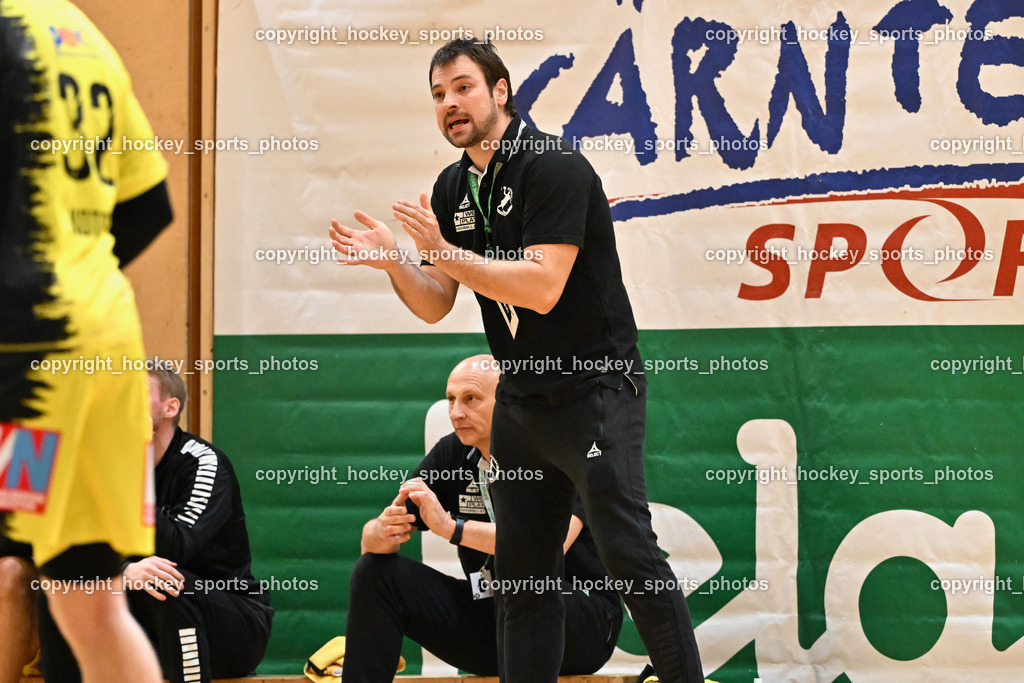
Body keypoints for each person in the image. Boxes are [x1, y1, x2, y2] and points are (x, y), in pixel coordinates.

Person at [329, 38, 704, 682]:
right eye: (439, 95)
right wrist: (396, 262)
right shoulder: (453, 186)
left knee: (629, 554)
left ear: (500, 92)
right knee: (524, 581)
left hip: (593, 391)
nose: (450, 104)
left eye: (463, 88)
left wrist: (443, 252)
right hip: (523, 406)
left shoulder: (553, 166)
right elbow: (436, 302)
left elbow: (542, 286)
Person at [0, 0, 173, 680]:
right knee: (92, 602)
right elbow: (149, 206)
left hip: (21, 353)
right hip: (102, 349)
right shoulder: (87, 40)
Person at [342, 355, 622, 681]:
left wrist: (452, 528)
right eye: (451, 400)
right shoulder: (452, 454)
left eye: (471, 399)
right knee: (375, 573)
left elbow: (546, 547)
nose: (455, 413)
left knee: (522, 576)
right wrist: (381, 530)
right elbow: (373, 541)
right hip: (496, 618)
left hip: (581, 623)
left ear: (507, 402)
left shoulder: (557, 451)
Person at [36, 365, 275, 683]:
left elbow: (176, 547)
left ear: (170, 407)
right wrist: (124, 571)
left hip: (230, 624)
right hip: (146, 617)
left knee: (164, 581)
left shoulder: (203, 463)